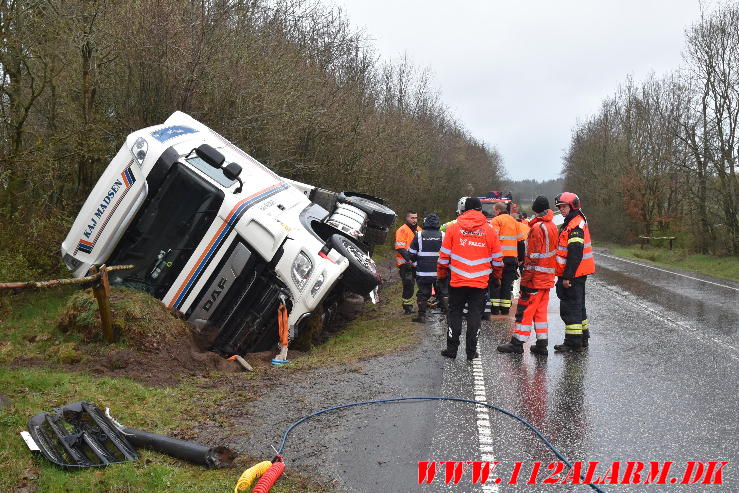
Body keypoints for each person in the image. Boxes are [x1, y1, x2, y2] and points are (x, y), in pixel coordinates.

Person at [438, 197, 503, 361]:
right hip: (479, 283)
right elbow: (497, 261)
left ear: (463, 210)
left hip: (457, 281)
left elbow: (444, 257)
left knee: (455, 314)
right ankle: (471, 352)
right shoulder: (490, 231)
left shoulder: (453, 229)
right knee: (475, 316)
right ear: (480, 210)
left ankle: (452, 350)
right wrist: (496, 278)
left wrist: (441, 276)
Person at [497, 196, 558, 355]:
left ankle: (517, 343)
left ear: (535, 209)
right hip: (546, 279)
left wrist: (525, 279)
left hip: (535, 279)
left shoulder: (537, 228)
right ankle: (542, 344)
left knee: (524, 311)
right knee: (540, 312)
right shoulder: (552, 226)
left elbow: (532, 257)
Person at [553, 192, 595, 352]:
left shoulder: (575, 225)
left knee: (570, 309)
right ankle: (583, 339)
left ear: (573, 206)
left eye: (563, 206)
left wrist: (567, 277)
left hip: (573, 275)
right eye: (559, 207)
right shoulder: (573, 222)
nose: (561, 210)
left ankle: (572, 342)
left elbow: (575, 254)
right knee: (579, 307)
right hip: (577, 274)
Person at [488, 202, 525, 315]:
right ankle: (505, 309)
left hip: (498, 258)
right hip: (512, 259)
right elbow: (521, 242)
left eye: (494, 210)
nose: (494, 213)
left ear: (498, 210)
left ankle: (494, 310)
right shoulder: (515, 222)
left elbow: (492, 240)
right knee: (506, 284)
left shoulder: (496, 221)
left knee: (495, 283)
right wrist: (521, 258)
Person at [408, 213, 446, 322]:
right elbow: (449, 253)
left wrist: (415, 264)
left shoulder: (419, 235)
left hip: (423, 271)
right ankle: (447, 314)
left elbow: (411, 253)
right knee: (443, 292)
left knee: (423, 293)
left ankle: (422, 316)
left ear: (425, 223)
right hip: (440, 272)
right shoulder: (443, 235)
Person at [395, 211, 420, 314]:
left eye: (416, 218)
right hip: (405, 264)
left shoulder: (419, 229)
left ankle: (421, 304)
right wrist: (409, 259)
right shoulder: (402, 230)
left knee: (420, 284)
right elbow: (400, 248)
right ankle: (407, 307)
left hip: (416, 263)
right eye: (412, 218)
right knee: (408, 285)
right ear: (407, 218)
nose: (414, 220)